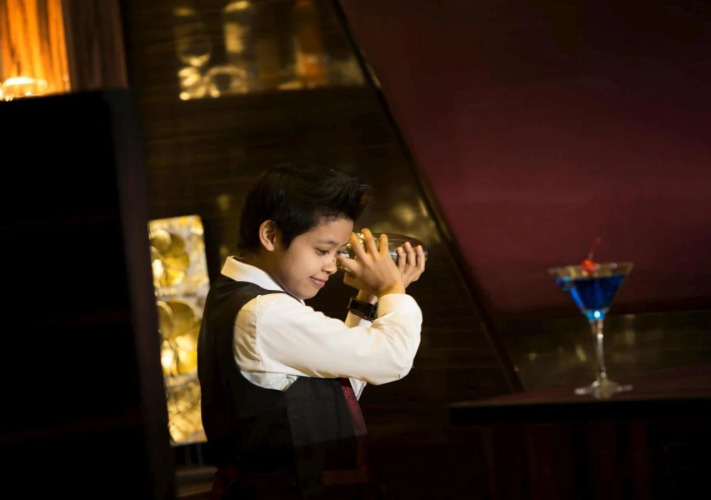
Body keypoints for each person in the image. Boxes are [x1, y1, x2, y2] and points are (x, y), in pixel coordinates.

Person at [197, 164, 426, 499]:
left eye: (338, 252)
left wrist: (370, 296)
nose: (332, 266)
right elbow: (393, 360)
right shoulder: (266, 312)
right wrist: (392, 288)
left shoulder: (250, 300)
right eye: (322, 250)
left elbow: (339, 387)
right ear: (270, 235)